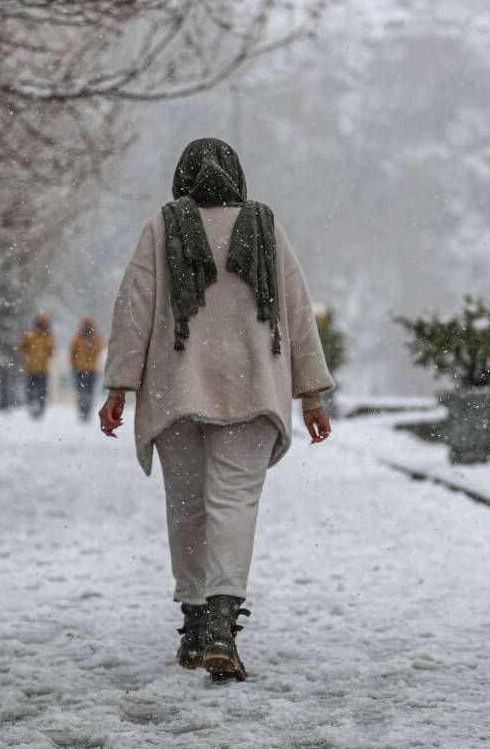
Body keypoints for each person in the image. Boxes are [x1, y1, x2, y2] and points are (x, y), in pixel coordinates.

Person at [98, 138, 334, 682]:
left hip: (175, 388)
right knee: (233, 506)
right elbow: (296, 309)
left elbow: (134, 309)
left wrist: (118, 387)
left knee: (186, 509)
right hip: (252, 389)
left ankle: (195, 624)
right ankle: (222, 626)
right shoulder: (266, 226)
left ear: (181, 177)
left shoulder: (162, 227)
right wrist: (312, 394)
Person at [19, 312, 54, 418]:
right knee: (32, 390)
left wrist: (44, 356)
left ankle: (40, 410)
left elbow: (51, 351)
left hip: (42, 368)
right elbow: (23, 348)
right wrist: (28, 357)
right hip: (32, 368)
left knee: (41, 390)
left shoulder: (48, 335)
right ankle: (32, 407)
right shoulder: (30, 334)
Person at [69, 317, 103, 420]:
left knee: (89, 392)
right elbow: (72, 352)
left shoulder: (96, 338)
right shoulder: (78, 338)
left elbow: (99, 351)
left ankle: (87, 411)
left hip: (91, 369)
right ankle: (82, 411)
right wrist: (74, 365)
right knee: (82, 391)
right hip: (81, 369)